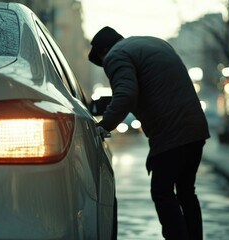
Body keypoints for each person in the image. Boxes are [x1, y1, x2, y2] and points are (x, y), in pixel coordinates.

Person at [88, 26, 210, 240]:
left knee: (162, 192)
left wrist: (104, 125)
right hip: (196, 128)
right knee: (186, 192)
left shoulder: (116, 55)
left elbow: (125, 94)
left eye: (101, 60)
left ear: (103, 51)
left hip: (171, 134)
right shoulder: (154, 42)